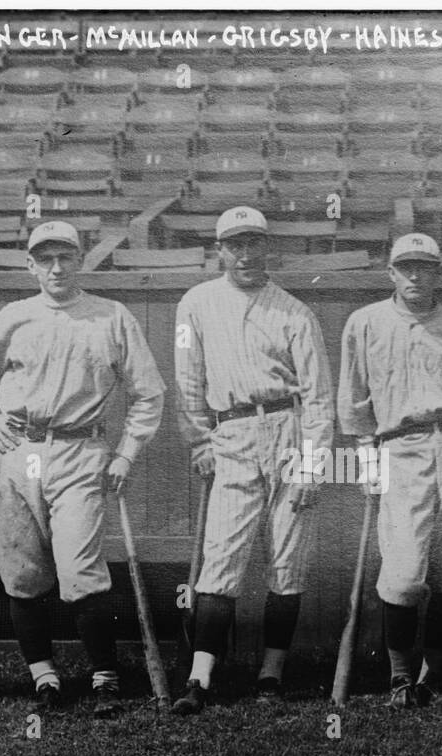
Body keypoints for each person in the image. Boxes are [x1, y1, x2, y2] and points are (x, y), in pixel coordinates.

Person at [0, 221, 165, 717]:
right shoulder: (12, 316)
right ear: (30, 265)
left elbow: (148, 392)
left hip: (80, 451)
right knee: (23, 572)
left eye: (65, 258)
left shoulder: (111, 316)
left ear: (81, 261)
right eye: (44, 259)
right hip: (16, 451)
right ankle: (44, 675)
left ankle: (104, 676)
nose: (56, 268)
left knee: (81, 571)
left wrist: (126, 453)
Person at [172, 206, 335, 714]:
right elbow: (188, 381)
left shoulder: (294, 311)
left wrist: (312, 464)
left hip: (287, 428)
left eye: (253, 244)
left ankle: (271, 673)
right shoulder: (194, 304)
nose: (244, 254)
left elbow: (319, 396)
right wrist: (200, 441)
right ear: (219, 249)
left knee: (288, 561)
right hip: (232, 431)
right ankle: (200, 679)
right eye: (234, 245)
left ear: (268, 248)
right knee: (221, 560)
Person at [338, 232, 442, 707]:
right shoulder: (364, 323)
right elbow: (353, 400)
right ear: (390, 273)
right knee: (405, 574)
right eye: (405, 267)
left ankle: (432, 677)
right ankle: (399, 677)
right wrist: (366, 456)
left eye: (424, 267)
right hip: (401, 449)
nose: (414, 276)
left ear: (437, 275)